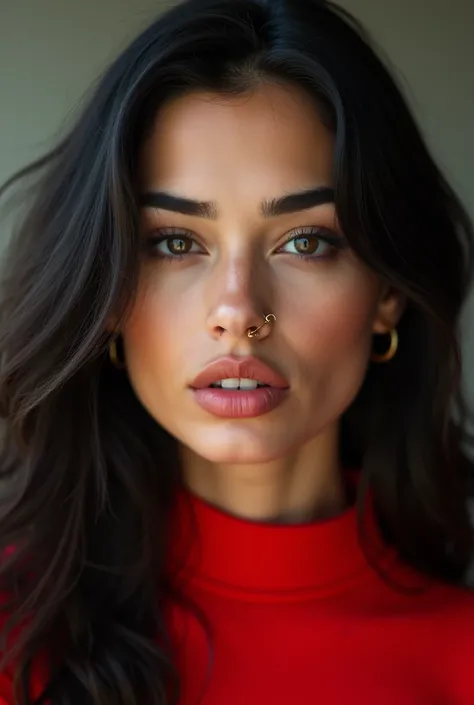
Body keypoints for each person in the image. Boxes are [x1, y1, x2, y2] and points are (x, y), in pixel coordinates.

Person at [0, 0, 473, 703]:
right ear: (106, 295)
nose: (237, 312)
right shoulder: (17, 637)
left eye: (306, 242)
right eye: (174, 242)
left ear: (387, 294)